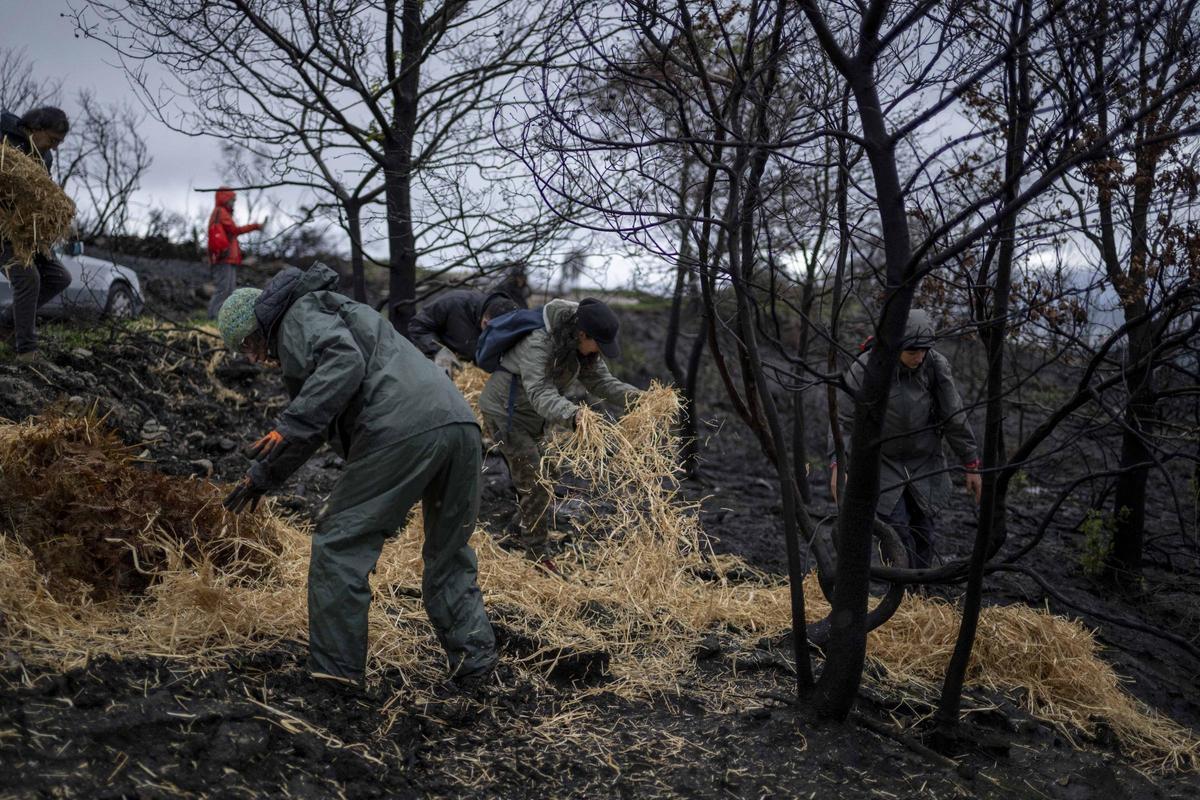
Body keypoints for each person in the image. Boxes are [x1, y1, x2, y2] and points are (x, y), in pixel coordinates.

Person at [216, 262, 497, 686]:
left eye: (249, 346)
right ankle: (476, 664)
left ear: (259, 326)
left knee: (338, 547)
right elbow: (317, 417)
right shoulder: (331, 308)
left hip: (401, 428)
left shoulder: (297, 316)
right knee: (448, 553)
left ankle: (337, 677)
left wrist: (289, 424)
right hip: (458, 425)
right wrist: (264, 475)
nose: (254, 358)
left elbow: (342, 366)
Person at [478, 298, 642, 570]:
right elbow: (540, 392)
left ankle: (521, 526)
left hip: (533, 418)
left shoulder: (582, 349)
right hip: (504, 415)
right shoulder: (539, 344)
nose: (598, 351)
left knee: (549, 472)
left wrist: (640, 400)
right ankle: (537, 556)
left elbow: (601, 381)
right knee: (536, 480)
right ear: (582, 334)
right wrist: (574, 415)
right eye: (597, 344)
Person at [829, 309, 981, 570]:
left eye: (923, 351)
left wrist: (971, 464)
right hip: (883, 463)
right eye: (912, 351)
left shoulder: (934, 365)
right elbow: (843, 419)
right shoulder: (868, 366)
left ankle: (920, 591)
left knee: (925, 531)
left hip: (925, 461)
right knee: (897, 532)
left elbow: (953, 414)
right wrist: (838, 465)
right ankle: (901, 592)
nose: (918, 357)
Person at [0, 107, 72, 360]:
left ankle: (6, 321)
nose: (54, 148)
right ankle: (26, 351)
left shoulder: (45, 158)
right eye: (52, 140)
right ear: (36, 129)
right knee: (28, 278)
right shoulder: (4, 135)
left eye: (58, 143)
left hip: (25, 230)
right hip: (2, 227)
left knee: (60, 277)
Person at [409, 288, 519, 375]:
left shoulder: (514, 320)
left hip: (474, 374)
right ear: (485, 322)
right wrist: (438, 350)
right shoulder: (453, 302)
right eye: (491, 332)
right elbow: (418, 325)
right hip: (439, 364)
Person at [206, 187, 265, 319]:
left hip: (228, 258)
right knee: (223, 289)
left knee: (228, 289)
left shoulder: (222, 212)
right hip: (224, 258)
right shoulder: (221, 212)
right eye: (232, 200)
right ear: (225, 199)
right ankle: (213, 317)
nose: (234, 203)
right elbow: (234, 230)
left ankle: (221, 317)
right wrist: (255, 226)